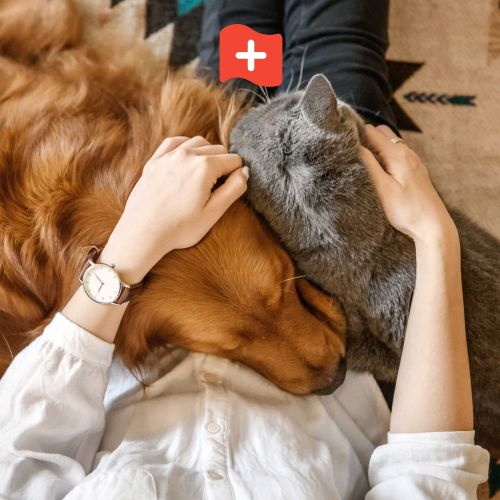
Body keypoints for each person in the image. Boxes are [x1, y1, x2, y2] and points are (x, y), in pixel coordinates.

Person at [0, 0, 490, 498]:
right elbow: (431, 476)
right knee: (338, 46)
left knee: (244, 36)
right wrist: (434, 237)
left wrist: (125, 253)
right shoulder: (319, 355)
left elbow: (19, 453)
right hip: (339, 258)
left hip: (166, 244)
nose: (317, 363)